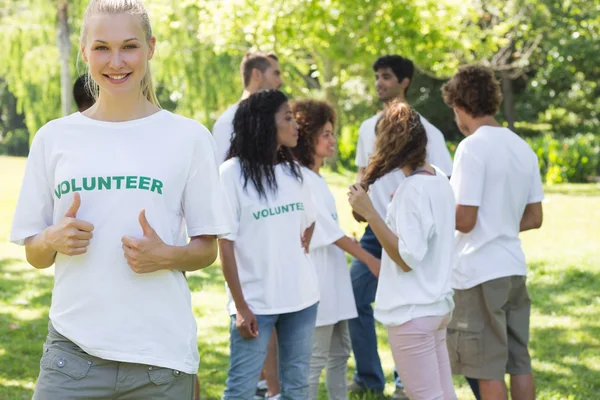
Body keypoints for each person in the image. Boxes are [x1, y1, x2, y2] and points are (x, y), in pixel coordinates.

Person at [9, 1, 231, 399]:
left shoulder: (189, 137)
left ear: (151, 48)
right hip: (72, 356)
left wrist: (165, 254)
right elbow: (34, 254)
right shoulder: (53, 138)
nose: (116, 62)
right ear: (84, 51)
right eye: (101, 48)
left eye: (129, 46)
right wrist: (52, 239)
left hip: (160, 360)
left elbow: (206, 249)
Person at [349, 54, 453, 399]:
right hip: (435, 307)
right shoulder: (436, 179)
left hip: (413, 313)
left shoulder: (411, 191)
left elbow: (407, 257)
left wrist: (372, 213)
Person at [442, 65, 544, 400]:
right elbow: (534, 217)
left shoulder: (472, 148)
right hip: (514, 267)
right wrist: (500, 221)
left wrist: (436, 207)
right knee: (519, 362)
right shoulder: (522, 148)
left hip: (479, 272)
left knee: (486, 367)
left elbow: (465, 219)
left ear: (459, 107)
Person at [219, 89, 319, 399]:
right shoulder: (231, 175)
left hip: (301, 300)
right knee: (240, 389)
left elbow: (310, 220)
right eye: (287, 118)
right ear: (264, 124)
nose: (295, 125)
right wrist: (240, 305)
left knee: (297, 388)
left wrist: (301, 240)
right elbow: (225, 245)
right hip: (255, 305)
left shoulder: (295, 173)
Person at [290, 100, 381, 400]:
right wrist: (369, 259)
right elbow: (328, 233)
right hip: (318, 279)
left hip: (334, 277)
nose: (332, 140)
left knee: (340, 354)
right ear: (308, 136)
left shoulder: (316, 178)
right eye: (325, 134)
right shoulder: (301, 178)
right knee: (315, 358)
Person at [212, 51, 283, 164]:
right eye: (276, 73)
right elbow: (223, 172)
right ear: (257, 74)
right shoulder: (228, 121)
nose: (280, 81)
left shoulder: (280, 120)